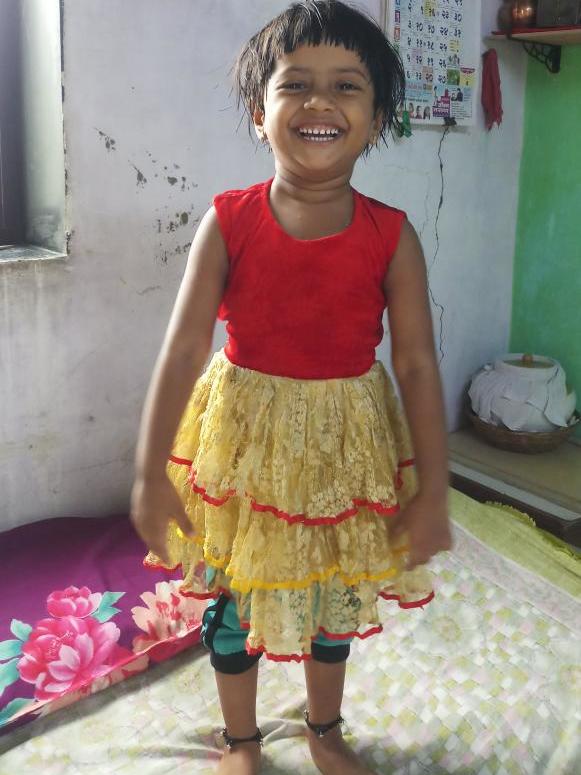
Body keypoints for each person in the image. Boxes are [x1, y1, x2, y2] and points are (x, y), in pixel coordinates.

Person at [130, 2, 452, 774]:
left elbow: (415, 364)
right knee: (237, 602)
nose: (319, 101)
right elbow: (182, 348)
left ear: (377, 119)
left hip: (346, 445)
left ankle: (323, 728)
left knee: (330, 602)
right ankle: (241, 739)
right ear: (258, 112)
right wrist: (147, 474)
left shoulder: (392, 234)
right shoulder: (227, 221)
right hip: (245, 444)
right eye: (295, 83)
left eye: (346, 85)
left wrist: (434, 489)